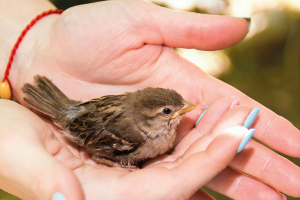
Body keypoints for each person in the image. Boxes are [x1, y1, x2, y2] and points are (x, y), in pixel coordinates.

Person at [0, 0, 299, 199]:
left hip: (82, 110)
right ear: (147, 118)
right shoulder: (133, 133)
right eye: (169, 111)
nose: (181, 113)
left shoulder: (148, 122)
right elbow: (94, 141)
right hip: (80, 124)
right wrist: (114, 162)